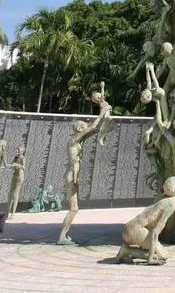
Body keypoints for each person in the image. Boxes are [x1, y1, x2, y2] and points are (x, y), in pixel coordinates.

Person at [57, 83, 112, 245]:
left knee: (74, 208)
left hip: (73, 174)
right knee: (74, 208)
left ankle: (64, 235)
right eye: (84, 126)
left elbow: (96, 129)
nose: (86, 126)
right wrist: (101, 112)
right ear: (79, 129)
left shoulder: (79, 140)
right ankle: (62, 236)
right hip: (71, 175)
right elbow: (93, 126)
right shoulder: (74, 140)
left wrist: (103, 104)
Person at [114, 174, 175, 265]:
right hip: (135, 230)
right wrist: (151, 259)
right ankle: (127, 250)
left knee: (156, 248)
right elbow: (155, 232)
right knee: (163, 256)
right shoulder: (169, 205)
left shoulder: (166, 196)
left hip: (130, 227)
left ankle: (136, 251)